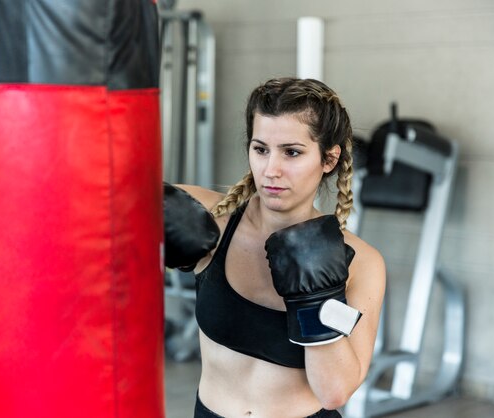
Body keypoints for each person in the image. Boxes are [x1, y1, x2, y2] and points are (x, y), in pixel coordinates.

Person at [164, 77, 386, 418]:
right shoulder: (214, 219)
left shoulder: (360, 262)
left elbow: (335, 392)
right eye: (260, 149)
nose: (271, 170)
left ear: (328, 159)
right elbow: (97, 197)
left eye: (292, 152)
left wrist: (314, 297)